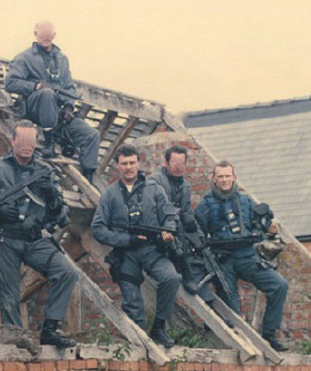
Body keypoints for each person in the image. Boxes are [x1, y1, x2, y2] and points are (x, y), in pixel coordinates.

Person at [0, 120, 77, 349]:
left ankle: (49, 329)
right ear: (13, 140)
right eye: (23, 140)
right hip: (4, 237)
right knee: (8, 294)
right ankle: (16, 340)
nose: (27, 146)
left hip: (34, 237)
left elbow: (58, 213)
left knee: (67, 272)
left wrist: (53, 197)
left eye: (32, 141)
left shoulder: (44, 171)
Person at [91, 145, 180, 348]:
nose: (129, 167)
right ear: (117, 167)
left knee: (171, 278)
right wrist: (125, 240)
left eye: (132, 163)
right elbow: (98, 229)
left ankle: (158, 328)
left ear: (139, 164)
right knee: (132, 302)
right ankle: (140, 343)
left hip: (152, 250)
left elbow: (170, 216)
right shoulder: (110, 195)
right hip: (126, 254)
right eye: (124, 163)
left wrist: (168, 231)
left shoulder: (154, 189)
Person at [194, 160, 289, 351]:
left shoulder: (246, 201)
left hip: (247, 256)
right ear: (214, 178)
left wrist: (270, 229)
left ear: (234, 177)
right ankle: (238, 345)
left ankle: (269, 334)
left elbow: (261, 226)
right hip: (223, 260)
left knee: (279, 285)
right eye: (220, 176)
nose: (224, 180)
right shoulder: (205, 205)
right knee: (233, 311)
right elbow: (197, 236)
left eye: (227, 176)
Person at [5, 21, 100, 183]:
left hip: (57, 112)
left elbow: (69, 87)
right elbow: (10, 83)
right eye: (43, 37)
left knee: (92, 135)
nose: (46, 40)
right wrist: (36, 86)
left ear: (54, 36)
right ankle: (50, 140)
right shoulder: (25, 57)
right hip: (34, 108)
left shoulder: (62, 59)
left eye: (49, 37)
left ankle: (88, 176)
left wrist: (69, 107)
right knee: (47, 93)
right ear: (35, 35)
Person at [149, 146, 215, 305]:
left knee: (199, 248)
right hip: (158, 232)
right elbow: (153, 209)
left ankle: (209, 300)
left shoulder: (185, 186)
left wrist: (199, 236)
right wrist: (177, 215)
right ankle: (189, 276)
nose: (178, 167)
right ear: (166, 162)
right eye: (174, 163)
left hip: (177, 233)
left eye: (182, 163)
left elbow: (187, 213)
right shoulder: (154, 181)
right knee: (179, 237)